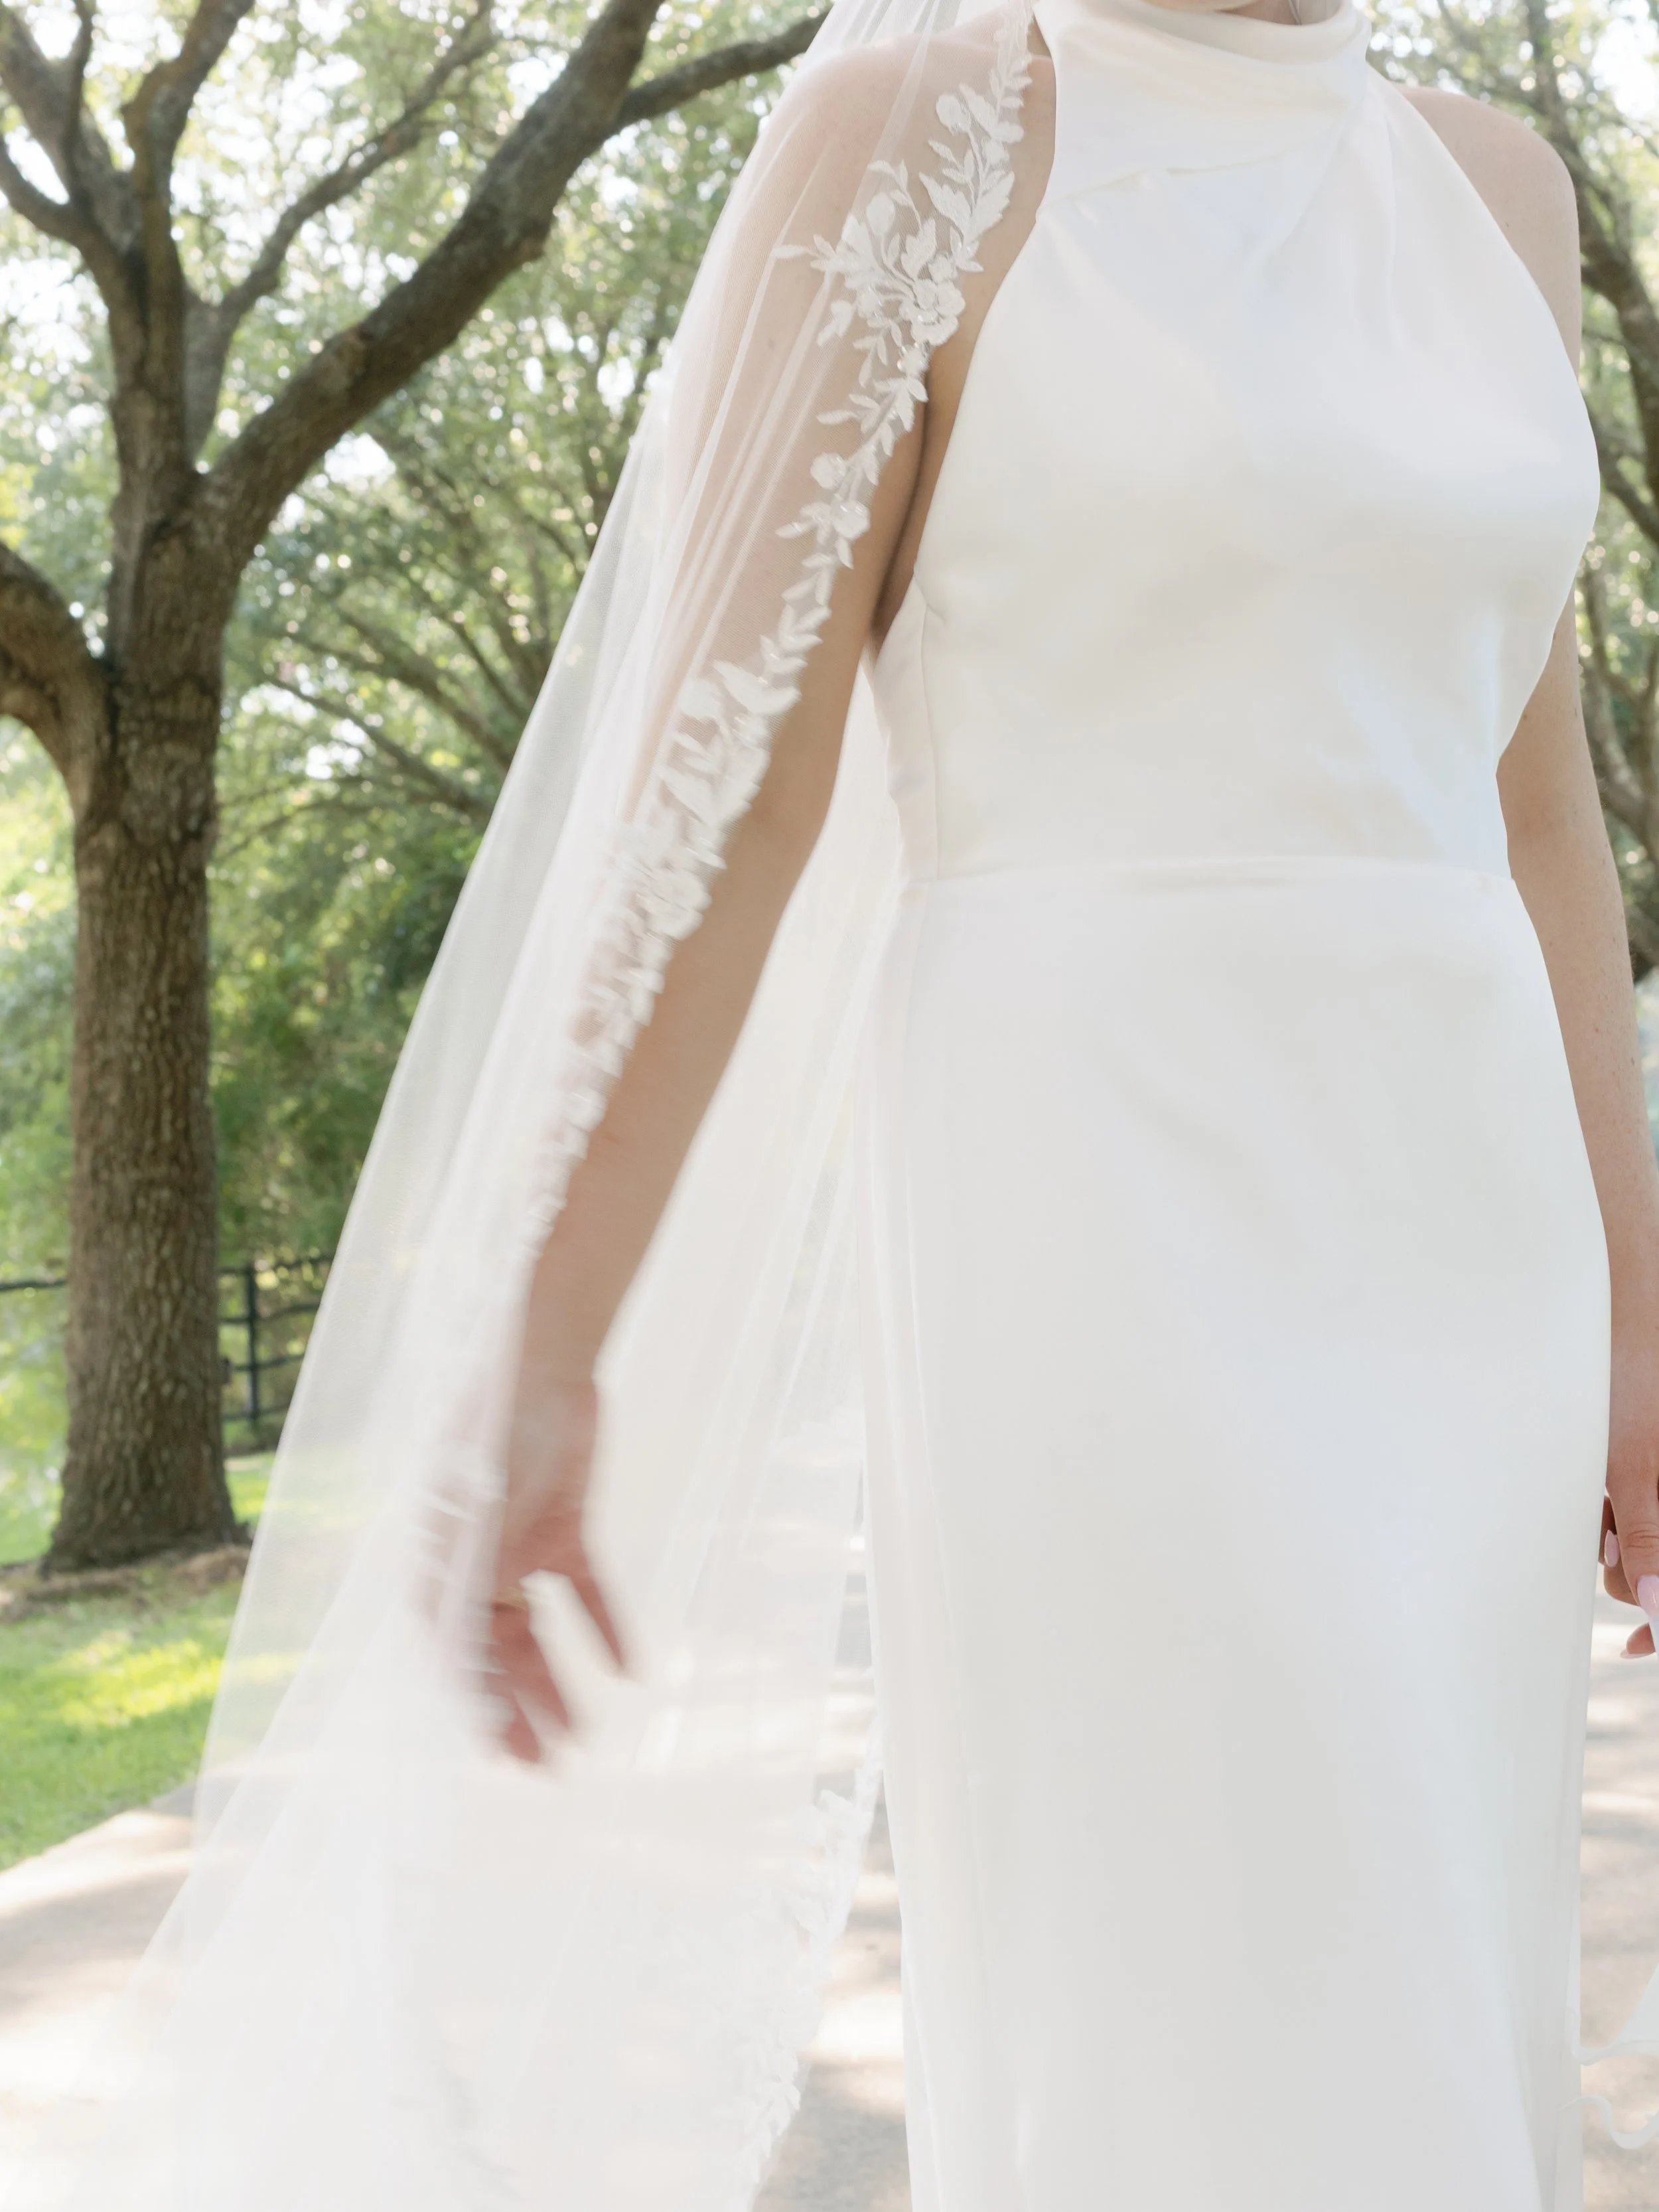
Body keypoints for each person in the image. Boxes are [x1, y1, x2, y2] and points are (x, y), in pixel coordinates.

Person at [29, 0, 1659, 2205]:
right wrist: (552, 1320)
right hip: (1098, 1204)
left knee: (1440, 1985)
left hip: (1469, 1250)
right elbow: (733, 779)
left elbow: (1536, 810)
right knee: (1197, 1965)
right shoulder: (919, 122)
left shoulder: (1498, 191)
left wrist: (1637, 1326)